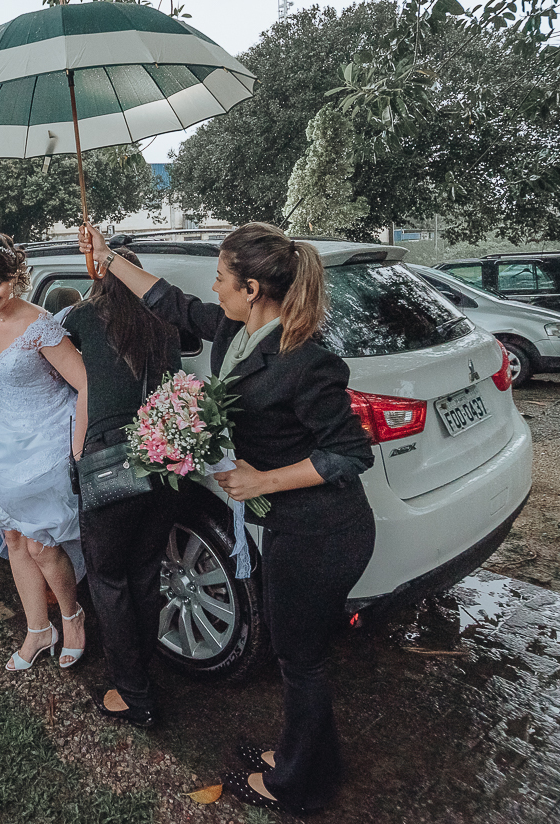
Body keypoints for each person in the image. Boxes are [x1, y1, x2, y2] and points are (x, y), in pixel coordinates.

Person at [77, 221, 375, 814]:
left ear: (253, 289)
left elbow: (349, 455)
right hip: (293, 526)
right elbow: (170, 302)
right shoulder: (237, 332)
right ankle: (305, 758)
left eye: (220, 278)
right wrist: (107, 258)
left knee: (300, 662)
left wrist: (263, 480)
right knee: (298, 657)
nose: (213, 288)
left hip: (324, 532)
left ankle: (294, 786)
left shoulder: (306, 361)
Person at [62, 246, 182, 728]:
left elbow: (56, 350)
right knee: (144, 573)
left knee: (108, 579)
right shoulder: (166, 324)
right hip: (167, 462)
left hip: (111, 462)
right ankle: (143, 672)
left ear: (100, 276)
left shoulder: (84, 317)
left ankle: (134, 695)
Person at [0, 232, 89, 672]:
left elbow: (85, 384)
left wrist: (77, 445)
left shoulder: (40, 325)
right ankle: (38, 630)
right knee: (12, 536)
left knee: (41, 543)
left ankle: (72, 619)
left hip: (46, 438)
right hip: (1, 436)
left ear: (14, 276)